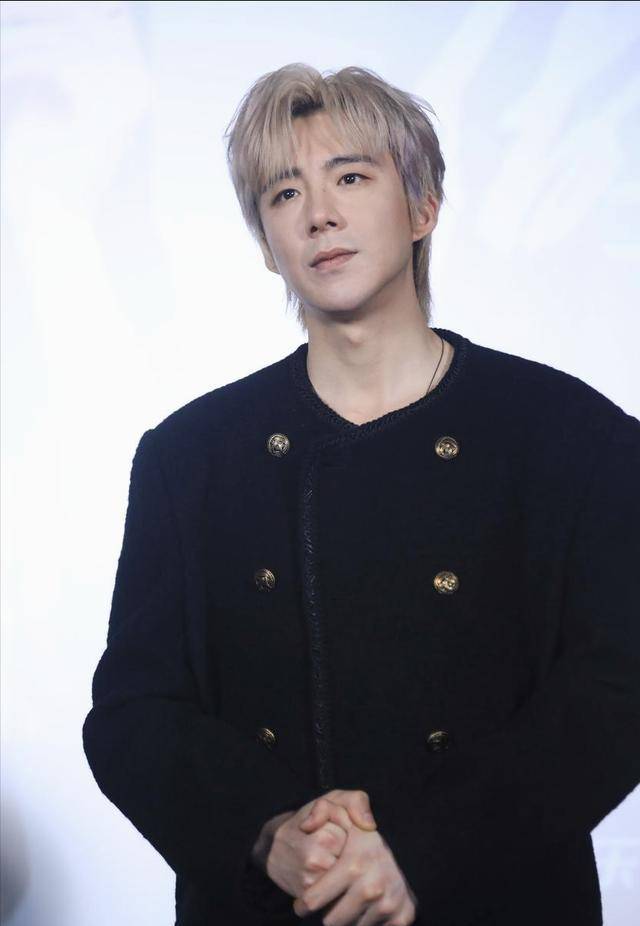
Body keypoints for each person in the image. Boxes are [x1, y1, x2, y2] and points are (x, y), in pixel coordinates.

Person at [82, 64, 640, 926]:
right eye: (284, 193)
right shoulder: (190, 455)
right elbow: (132, 714)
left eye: (350, 177)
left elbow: (618, 687)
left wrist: (423, 849)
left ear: (422, 208)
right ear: (266, 243)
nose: (319, 214)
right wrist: (268, 832)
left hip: (499, 898)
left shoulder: (570, 434)